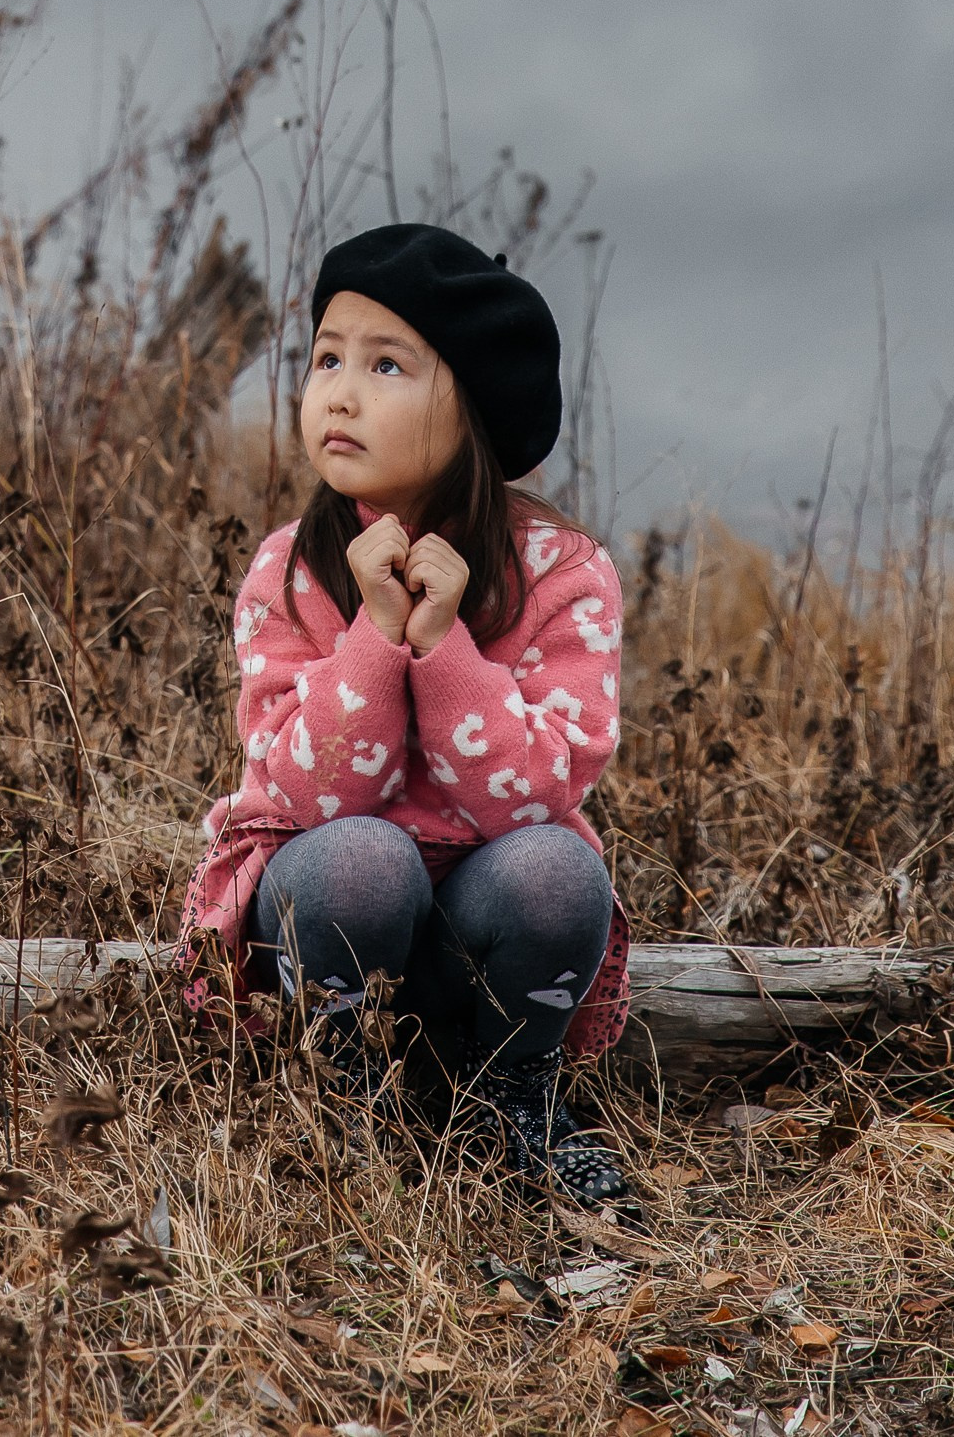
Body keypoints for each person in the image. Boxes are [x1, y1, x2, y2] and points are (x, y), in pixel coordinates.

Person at [179, 220, 631, 1205]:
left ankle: (511, 1096)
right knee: (357, 854)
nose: (337, 389)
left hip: (485, 920)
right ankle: (347, 1101)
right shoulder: (289, 568)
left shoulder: (562, 572)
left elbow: (531, 799)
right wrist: (375, 640)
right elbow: (305, 793)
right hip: (332, 911)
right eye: (326, 355)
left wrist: (444, 648)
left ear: (467, 405)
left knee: (558, 870)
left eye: (386, 364)